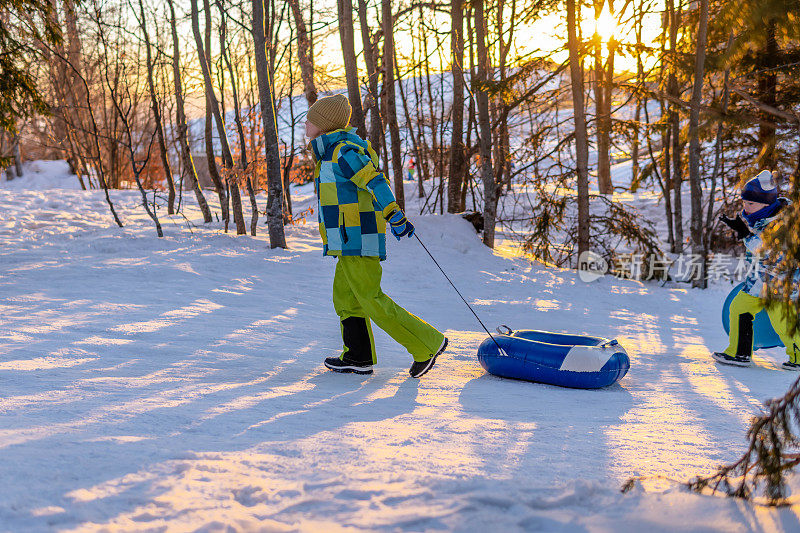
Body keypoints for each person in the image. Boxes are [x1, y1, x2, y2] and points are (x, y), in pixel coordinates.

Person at [304, 94, 448, 378]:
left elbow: (374, 180)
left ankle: (427, 344)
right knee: (346, 299)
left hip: (356, 237)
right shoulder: (330, 151)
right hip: (346, 239)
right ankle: (358, 357)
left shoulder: (343, 151)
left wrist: (393, 213)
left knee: (370, 297)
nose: (306, 124)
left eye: (310, 119)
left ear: (324, 124)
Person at [714, 169, 800, 370]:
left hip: (781, 284)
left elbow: (770, 252)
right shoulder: (764, 218)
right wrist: (744, 230)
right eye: (744, 202)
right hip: (761, 281)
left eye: (750, 203)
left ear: (766, 204)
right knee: (739, 308)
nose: (745, 207)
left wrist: (745, 233)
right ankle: (739, 353)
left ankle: (798, 357)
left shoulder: (783, 223)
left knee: (782, 321)